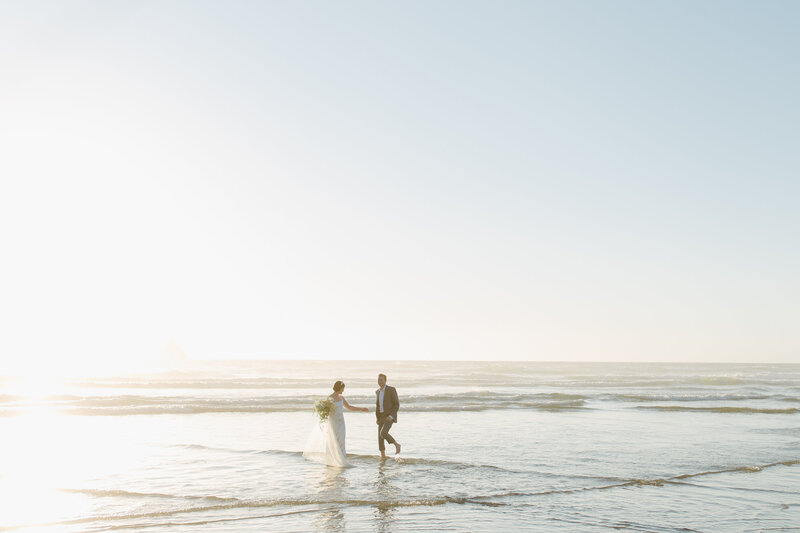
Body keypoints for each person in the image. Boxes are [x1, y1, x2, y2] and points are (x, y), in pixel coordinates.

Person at [303, 380, 368, 467]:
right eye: (342, 388)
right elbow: (326, 411)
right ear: (339, 388)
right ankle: (330, 461)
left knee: (341, 441)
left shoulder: (341, 397)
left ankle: (342, 460)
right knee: (332, 441)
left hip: (341, 422)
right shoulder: (330, 398)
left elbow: (349, 407)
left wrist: (361, 409)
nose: (343, 390)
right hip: (333, 423)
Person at [375, 373, 401, 458]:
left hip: (389, 416)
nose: (380, 381)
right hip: (381, 417)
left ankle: (396, 445)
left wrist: (391, 416)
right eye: (379, 380)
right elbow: (378, 406)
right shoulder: (377, 391)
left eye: (381, 380)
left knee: (383, 433)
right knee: (380, 438)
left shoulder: (391, 389)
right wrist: (377, 418)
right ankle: (383, 457)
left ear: (385, 380)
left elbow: (396, 404)